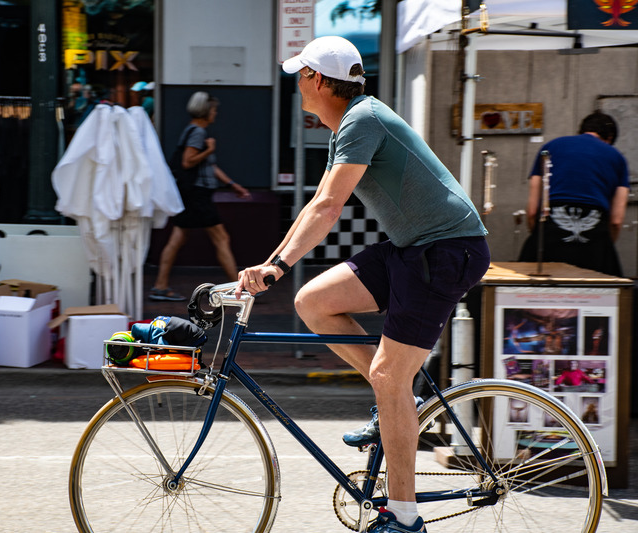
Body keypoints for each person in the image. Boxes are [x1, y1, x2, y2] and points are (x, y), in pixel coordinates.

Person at [235, 36, 489, 533]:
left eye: (300, 76)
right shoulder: (353, 122)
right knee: (314, 303)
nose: (297, 86)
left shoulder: (363, 120)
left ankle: (404, 516)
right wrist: (272, 264)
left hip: (445, 251)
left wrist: (277, 267)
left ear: (318, 80)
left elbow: (330, 207)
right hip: (412, 248)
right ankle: (400, 405)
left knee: (389, 376)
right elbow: (317, 205)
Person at [149, 91, 251, 301]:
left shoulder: (192, 131)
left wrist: (233, 185)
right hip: (197, 195)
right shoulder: (197, 133)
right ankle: (238, 289)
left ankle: (160, 286)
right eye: (213, 110)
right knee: (221, 238)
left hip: (192, 194)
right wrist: (209, 149)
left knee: (178, 238)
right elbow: (188, 161)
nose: (215, 113)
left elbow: (209, 166)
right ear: (205, 111)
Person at [518, 111, 630, 276]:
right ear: (610, 137)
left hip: (550, 232)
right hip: (595, 239)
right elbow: (616, 220)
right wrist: (605, 245)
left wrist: (539, 236)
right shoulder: (617, 158)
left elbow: (533, 210)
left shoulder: (549, 148)